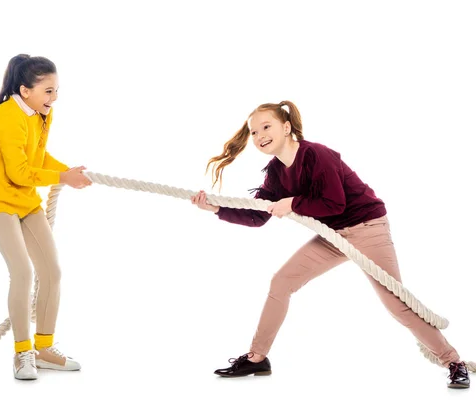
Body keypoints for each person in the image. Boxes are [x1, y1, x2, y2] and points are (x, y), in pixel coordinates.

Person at [190, 101, 470, 389]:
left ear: (286, 128)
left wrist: (292, 203)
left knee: (396, 305)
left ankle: (453, 362)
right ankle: (257, 358)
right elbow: (257, 216)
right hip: (334, 236)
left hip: (367, 228)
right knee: (281, 283)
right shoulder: (275, 172)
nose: (259, 135)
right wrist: (216, 209)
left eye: (266, 126)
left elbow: (335, 203)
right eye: (253, 132)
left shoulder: (316, 154)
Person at [0, 54, 92, 380]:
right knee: (23, 272)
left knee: (51, 272)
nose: (54, 98)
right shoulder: (6, 116)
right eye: (49, 91)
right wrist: (62, 179)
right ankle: (22, 352)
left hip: (26, 201)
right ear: (26, 90)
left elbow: (38, 158)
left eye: (56, 91)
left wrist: (66, 171)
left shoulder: (42, 114)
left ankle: (43, 348)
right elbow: (18, 171)